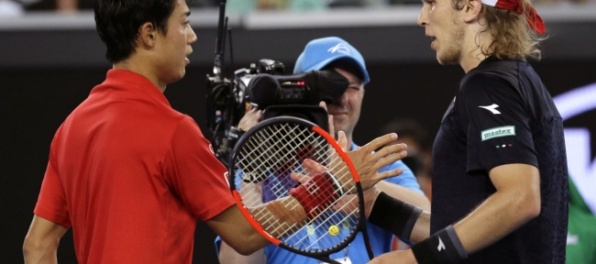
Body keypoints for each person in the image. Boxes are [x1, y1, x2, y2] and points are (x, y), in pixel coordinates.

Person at [21, 1, 409, 263]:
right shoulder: (173, 131)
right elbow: (245, 233)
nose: (191, 37)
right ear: (149, 34)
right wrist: (334, 181)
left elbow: (37, 245)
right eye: (185, 22)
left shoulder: (72, 127)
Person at [367, 0, 569, 263]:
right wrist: (377, 207)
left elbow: (521, 198)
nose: (422, 18)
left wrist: (414, 259)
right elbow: (463, 230)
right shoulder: (517, 79)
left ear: (470, 8)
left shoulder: (488, 86)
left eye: (431, 3)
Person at [217, 36, 431, 263]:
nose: (341, 99)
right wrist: (252, 171)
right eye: (329, 86)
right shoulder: (258, 171)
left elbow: (434, 230)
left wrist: (359, 182)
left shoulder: (381, 165)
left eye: (352, 88)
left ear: (363, 94)